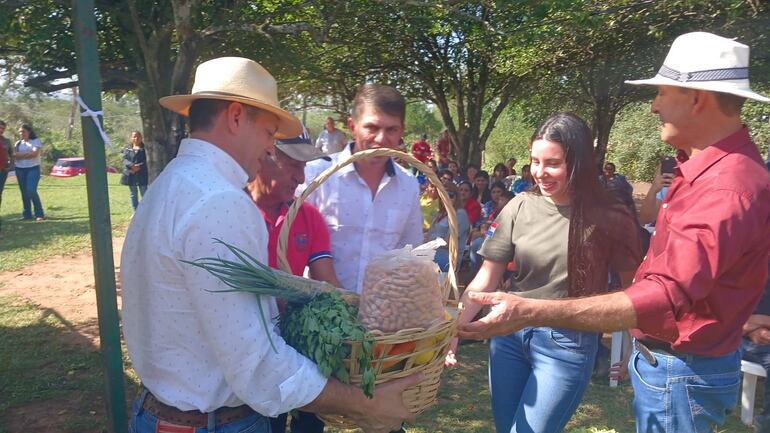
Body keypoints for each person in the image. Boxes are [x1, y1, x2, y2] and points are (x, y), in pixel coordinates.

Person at [457, 32, 770, 433]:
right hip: (667, 367)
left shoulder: (727, 186)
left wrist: (532, 310)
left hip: (681, 371)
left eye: (661, 92)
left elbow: (665, 294)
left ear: (698, 98)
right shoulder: (701, 172)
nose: (655, 106)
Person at [121, 57, 419, 433]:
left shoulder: (168, 186)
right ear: (234, 117)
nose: (268, 148)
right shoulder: (220, 202)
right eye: (268, 132)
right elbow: (258, 365)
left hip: (164, 414)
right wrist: (364, 405)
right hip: (213, 423)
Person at [448, 112, 642, 433]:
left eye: (553, 163)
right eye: (534, 161)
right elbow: (486, 277)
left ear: (580, 162)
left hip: (566, 343)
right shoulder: (519, 206)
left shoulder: (610, 215)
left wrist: (633, 348)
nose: (539, 172)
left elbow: (633, 288)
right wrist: (458, 327)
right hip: (508, 338)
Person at [246, 127, 342, 433]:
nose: (301, 178)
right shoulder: (235, 212)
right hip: (250, 357)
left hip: (299, 352)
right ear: (264, 157)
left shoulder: (308, 217)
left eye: (304, 166)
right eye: (294, 165)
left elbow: (328, 284)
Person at [303, 84, 423, 294]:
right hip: (321, 313)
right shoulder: (317, 176)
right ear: (352, 126)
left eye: (391, 130)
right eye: (372, 128)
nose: (381, 139)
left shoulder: (408, 186)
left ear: (401, 132)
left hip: (382, 317)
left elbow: (409, 254)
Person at [740, 260, 770, 433]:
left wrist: (754, 324)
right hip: (740, 338)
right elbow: (726, 318)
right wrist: (750, 330)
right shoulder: (743, 260)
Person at [426, 182, 470, 272]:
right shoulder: (438, 214)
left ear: (456, 197)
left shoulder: (460, 214)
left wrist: (428, 243)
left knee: (418, 263)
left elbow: (448, 242)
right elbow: (429, 235)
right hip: (431, 251)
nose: (446, 198)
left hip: (448, 257)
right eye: (443, 195)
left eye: (450, 195)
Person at [14, 123, 44, 221]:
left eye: (23, 131)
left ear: (29, 132)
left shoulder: (35, 141)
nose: (21, 133)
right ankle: (27, 214)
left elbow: (34, 154)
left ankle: (39, 213)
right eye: (20, 132)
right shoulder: (18, 143)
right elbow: (14, 155)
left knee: (31, 190)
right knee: (24, 192)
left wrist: (20, 155)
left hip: (33, 168)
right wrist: (27, 154)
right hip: (19, 169)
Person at [121, 131, 149, 211]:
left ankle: (145, 211)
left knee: (144, 193)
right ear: (131, 138)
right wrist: (131, 166)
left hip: (142, 174)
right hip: (131, 174)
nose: (136, 138)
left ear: (141, 138)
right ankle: (135, 211)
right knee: (133, 194)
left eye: (138, 136)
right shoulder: (127, 148)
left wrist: (139, 166)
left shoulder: (145, 148)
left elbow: (147, 160)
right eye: (134, 136)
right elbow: (124, 159)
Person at [0, 120, 12, 230]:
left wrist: (9, 167)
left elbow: (12, 155)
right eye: (0, 127)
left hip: (2, 171)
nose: (1, 130)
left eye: (3, 128)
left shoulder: (6, 141)